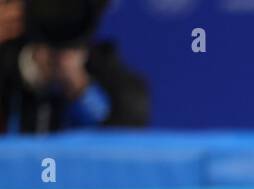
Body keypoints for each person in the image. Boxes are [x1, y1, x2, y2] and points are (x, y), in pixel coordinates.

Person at [0, 0, 149, 134]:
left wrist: (81, 89)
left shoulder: (106, 70)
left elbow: (126, 140)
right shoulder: (7, 55)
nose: (58, 11)